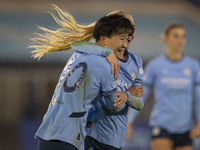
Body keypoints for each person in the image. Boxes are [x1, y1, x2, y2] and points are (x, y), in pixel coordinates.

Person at [31, 10, 142, 150]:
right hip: (70, 135)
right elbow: (113, 106)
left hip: (49, 130)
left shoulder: (79, 53)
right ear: (105, 37)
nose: (126, 40)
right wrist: (129, 96)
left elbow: (76, 44)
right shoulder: (106, 65)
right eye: (122, 36)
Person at [71, 11, 144, 150]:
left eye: (132, 28)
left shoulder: (135, 62)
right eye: (126, 27)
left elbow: (140, 100)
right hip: (94, 134)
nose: (131, 32)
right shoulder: (99, 52)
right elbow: (76, 45)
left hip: (116, 137)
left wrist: (127, 97)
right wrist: (106, 53)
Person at [127, 23, 200, 150]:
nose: (180, 40)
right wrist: (129, 120)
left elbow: (198, 98)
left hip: (185, 127)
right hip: (161, 125)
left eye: (183, 37)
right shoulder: (155, 65)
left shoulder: (193, 66)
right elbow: (141, 95)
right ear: (165, 39)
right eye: (176, 36)